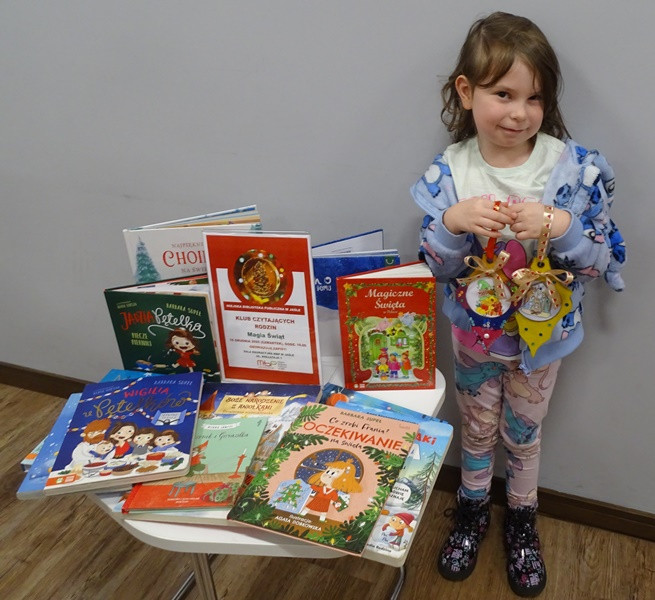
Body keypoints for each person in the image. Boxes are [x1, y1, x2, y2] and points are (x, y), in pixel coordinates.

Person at [411, 12, 626, 597]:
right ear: (466, 91)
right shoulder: (451, 173)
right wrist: (452, 222)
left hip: (540, 343)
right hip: (473, 339)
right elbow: (435, 266)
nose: (519, 113)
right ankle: (472, 508)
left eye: (534, 98)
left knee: (523, 434)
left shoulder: (572, 169)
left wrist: (562, 225)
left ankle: (522, 517)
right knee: (476, 430)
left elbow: (599, 260)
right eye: (503, 94)